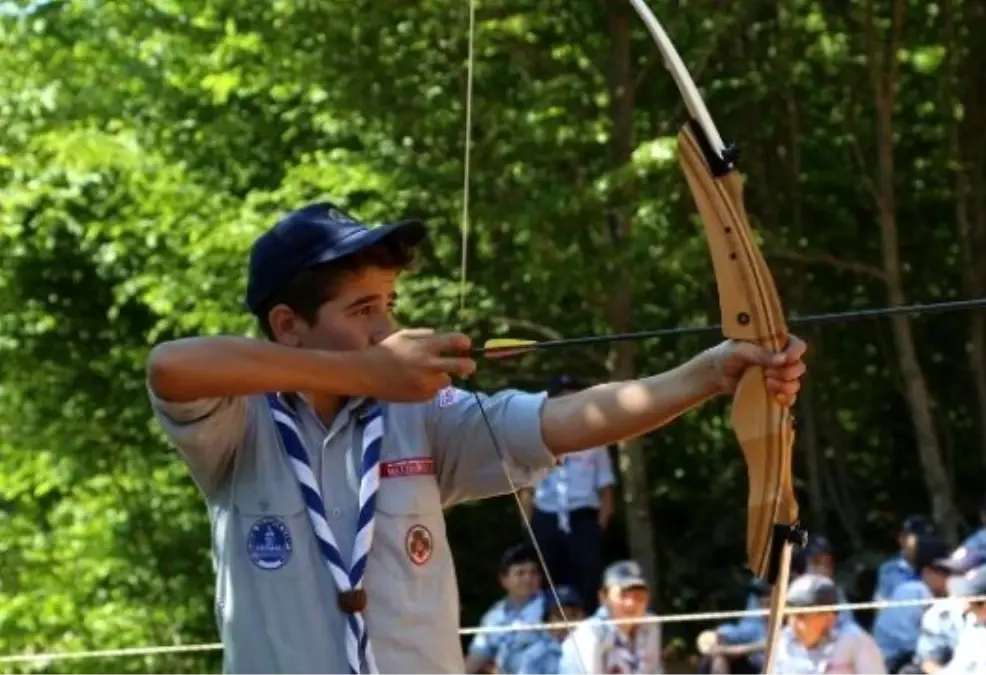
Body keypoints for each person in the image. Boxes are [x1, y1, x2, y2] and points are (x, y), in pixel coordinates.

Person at [145, 202, 809, 675]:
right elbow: (170, 365)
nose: (386, 327)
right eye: (363, 309)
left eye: (390, 303)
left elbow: (563, 419)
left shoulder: (420, 412)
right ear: (288, 324)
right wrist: (363, 370)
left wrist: (710, 373)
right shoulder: (240, 425)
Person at [520, 374, 615, 613]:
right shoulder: (535, 437)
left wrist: (599, 526)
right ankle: (546, 628)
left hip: (582, 516)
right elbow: (527, 488)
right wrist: (529, 523)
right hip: (546, 515)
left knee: (587, 575)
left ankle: (587, 626)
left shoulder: (596, 436)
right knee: (546, 576)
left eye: (575, 397)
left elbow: (606, 488)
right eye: (563, 399)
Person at [768, 573, 886, 674]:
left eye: (802, 617)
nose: (794, 625)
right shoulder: (783, 642)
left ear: (829, 619)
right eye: (790, 616)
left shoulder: (856, 642)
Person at [560, 560, 662, 674]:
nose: (631, 603)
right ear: (603, 597)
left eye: (639, 596)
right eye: (623, 595)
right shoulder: (590, 634)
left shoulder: (650, 626)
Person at [871, 537, 952, 673]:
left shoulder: (936, 595)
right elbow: (910, 643)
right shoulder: (912, 591)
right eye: (945, 572)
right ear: (927, 572)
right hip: (890, 663)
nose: (949, 577)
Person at [464, 543, 545, 674]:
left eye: (533, 572)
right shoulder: (494, 616)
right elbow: (477, 656)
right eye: (520, 573)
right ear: (504, 580)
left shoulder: (552, 608)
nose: (528, 578)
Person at [695, 577, 773, 675]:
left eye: (764, 594)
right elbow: (715, 639)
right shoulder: (753, 620)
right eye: (757, 595)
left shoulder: (789, 623)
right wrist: (718, 640)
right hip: (754, 663)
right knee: (717, 658)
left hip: (772, 666)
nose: (758, 599)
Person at [514, 585, 588, 675]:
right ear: (547, 621)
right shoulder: (536, 656)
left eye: (573, 615)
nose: (567, 622)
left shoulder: (594, 646)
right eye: (559, 617)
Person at [796, 534, 857, 630]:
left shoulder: (837, 595)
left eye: (827, 564)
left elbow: (850, 630)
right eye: (816, 563)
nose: (822, 569)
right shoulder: (789, 595)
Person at [873, 516, 932, 602]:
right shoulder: (890, 569)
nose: (921, 542)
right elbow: (881, 605)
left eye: (924, 537)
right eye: (916, 537)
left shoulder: (936, 564)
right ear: (902, 539)